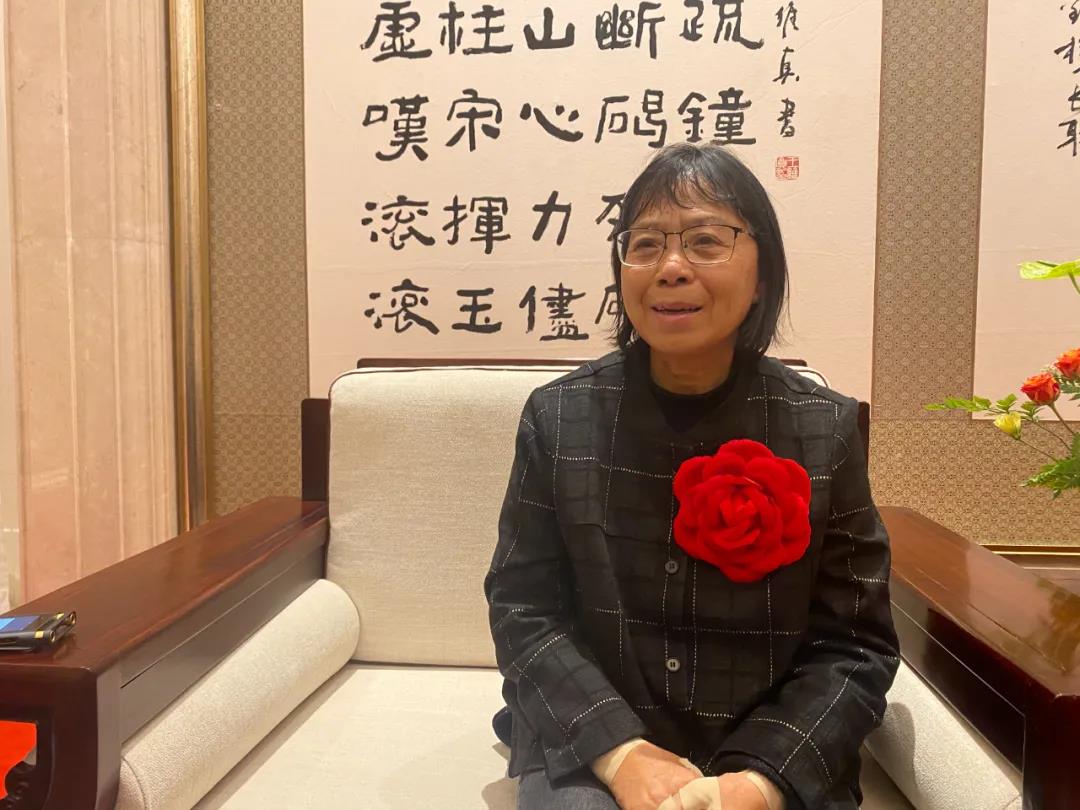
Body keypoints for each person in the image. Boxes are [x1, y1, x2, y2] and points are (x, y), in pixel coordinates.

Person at [484, 142, 899, 810]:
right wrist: (623, 755)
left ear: (762, 274)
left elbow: (855, 645)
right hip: (598, 745)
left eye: (706, 241)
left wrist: (759, 782)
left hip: (769, 751)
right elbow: (524, 610)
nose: (671, 268)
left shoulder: (823, 430)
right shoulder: (557, 419)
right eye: (645, 244)